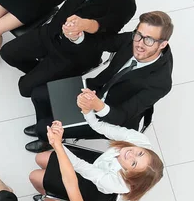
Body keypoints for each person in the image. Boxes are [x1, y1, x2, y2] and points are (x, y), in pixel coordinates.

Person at [0, 0, 140, 152]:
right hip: (51, 33)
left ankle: (48, 133)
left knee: (26, 88)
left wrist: (84, 26)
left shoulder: (126, 5)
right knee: (8, 53)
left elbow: (106, 28)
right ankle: (51, 79)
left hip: (73, 54)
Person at [26, 11, 174, 150]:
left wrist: (98, 105)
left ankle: (49, 138)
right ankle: (49, 127)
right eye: (139, 35)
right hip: (96, 89)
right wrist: (77, 36)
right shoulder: (134, 39)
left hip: (111, 116)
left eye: (149, 40)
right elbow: (101, 43)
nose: (140, 44)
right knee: (38, 94)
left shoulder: (161, 82)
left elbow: (121, 116)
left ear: (162, 44)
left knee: (42, 128)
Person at [30, 115, 164, 201]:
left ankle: (55, 199)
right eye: (140, 153)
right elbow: (102, 127)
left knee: (35, 176)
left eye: (133, 163)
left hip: (92, 188)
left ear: (129, 173)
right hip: (97, 163)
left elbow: (79, 165)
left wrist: (57, 142)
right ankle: (55, 190)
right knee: (40, 158)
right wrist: (87, 110)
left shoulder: (116, 182)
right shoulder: (141, 141)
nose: (131, 154)